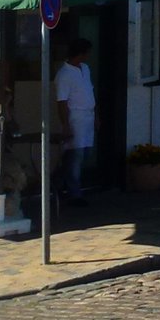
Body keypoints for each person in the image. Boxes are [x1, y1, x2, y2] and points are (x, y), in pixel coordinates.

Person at [54, 36, 97, 207]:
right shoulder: (64, 74)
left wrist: (97, 115)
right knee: (75, 155)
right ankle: (74, 193)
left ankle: (60, 184)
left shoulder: (85, 68)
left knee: (84, 153)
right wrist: (65, 124)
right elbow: (62, 101)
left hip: (88, 115)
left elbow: (90, 91)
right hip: (75, 117)